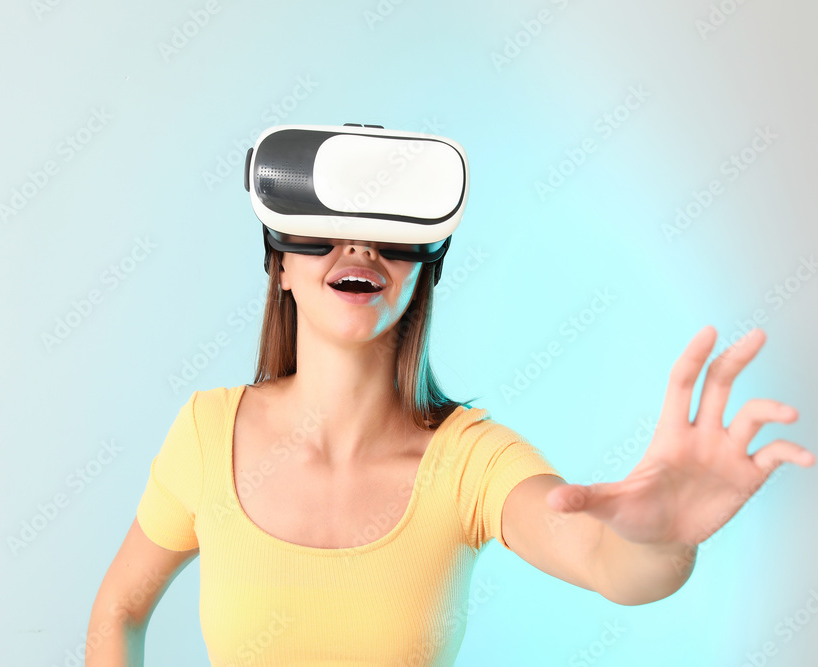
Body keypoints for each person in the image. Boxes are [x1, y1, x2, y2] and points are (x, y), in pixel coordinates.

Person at [86, 241, 814, 666]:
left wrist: (659, 537)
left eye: (389, 230)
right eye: (326, 228)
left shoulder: (470, 459)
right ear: (279, 264)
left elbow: (603, 560)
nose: (358, 247)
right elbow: (120, 605)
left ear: (425, 266)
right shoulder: (208, 430)